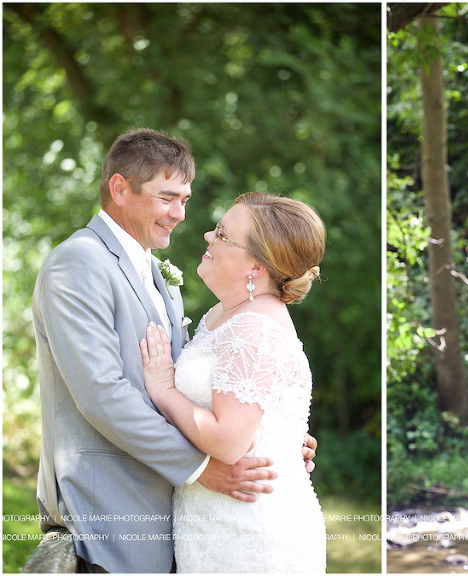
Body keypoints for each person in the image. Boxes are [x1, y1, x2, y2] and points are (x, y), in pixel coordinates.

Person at [32, 128, 316, 573]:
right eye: (168, 198)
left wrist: (272, 437)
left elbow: (192, 383)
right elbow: (101, 392)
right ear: (120, 188)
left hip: (187, 517)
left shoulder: (155, 271)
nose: (181, 215)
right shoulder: (79, 262)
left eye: (185, 199)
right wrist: (202, 468)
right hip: (110, 509)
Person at [140, 192, 327, 572]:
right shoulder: (222, 315)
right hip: (217, 521)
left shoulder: (254, 327)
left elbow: (228, 440)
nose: (208, 236)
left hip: (250, 533)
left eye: (223, 235)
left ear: (256, 266)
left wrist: (164, 390)